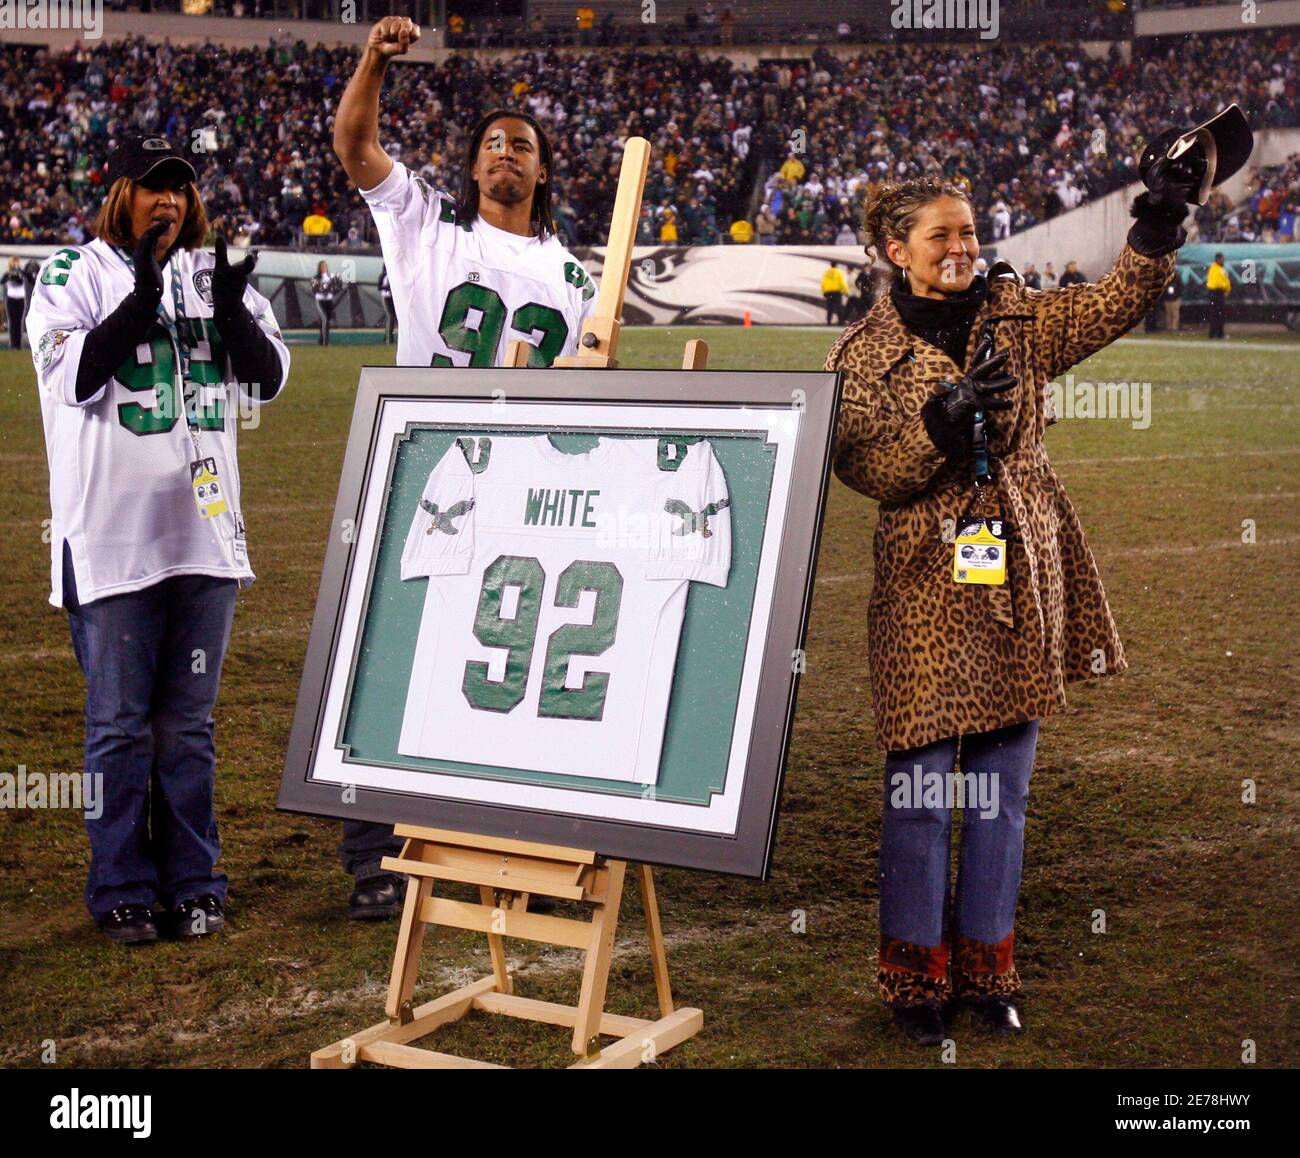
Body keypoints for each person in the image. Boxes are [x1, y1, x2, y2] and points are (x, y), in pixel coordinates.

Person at [825, 156, 1188, 1044]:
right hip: (923, 586)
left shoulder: (1016, 319)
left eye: (969, 231)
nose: (961, 247)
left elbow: (1109, 306)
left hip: (1020, 572)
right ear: (892, 248)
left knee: (1002, 788)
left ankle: (990, 974)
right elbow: (860, 467)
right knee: (918, 787)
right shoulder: (859, 355)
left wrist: (1153, 235)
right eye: (940, 234)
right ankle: (913, 984)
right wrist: (939, 429)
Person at [333, 15, 596, 918]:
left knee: (498, 650)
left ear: (542, 170)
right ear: (473, 165)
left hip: (522, 491)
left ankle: (505, 838)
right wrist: (372, 58)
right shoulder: (425, 225)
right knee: (389, 650)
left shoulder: (573, 275)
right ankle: (374, 853)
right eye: (491, 145)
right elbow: (355, 143)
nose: (504, 156)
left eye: (521, 145)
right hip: (424, 469)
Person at [25, 134, 289, 945]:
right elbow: (72, 378)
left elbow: (268, 380)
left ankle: (194, 882)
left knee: (187, 729)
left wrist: (234, 311)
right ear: (121, 195)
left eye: (179, 187)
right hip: (110, 541)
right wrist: (139, 299)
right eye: (151, 186)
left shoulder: (212, 276)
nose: (168, 200)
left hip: (205, 540)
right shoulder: (71, 273)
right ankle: (122, 889)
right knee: (118, 726)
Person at [311, 260, 342, 346]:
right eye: (322, 266)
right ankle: (325, 341)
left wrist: (332, 289)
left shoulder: (330, 277)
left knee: (325, 321)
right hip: (320, 301)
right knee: (325, 320)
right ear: (319, 268)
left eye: (325, 266)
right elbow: (314, 289)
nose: (324, 268)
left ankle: (321, 339)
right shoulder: (316, 277)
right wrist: (322, 288)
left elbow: (337, 287)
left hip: (329, 301)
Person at [1206, 252, 1231, 338]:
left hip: (1219, 293)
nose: (1223, 260)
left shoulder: (1220, 268)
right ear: (1217, 259)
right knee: (1216, 314)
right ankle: (1213, 334)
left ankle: (1219, 333)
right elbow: (1217, 283)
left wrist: (1227, 290)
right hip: (1216, 293)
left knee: (1220, 314)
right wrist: (1225, 287)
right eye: (1221, 259)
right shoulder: (1215, 268)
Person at [5, 256, 25, 348]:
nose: (17, 263)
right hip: (11, 299)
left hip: (20, 299)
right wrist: (10, 276)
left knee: (18, 322)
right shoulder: (7, 273)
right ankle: (13, 344)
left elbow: (21, 281)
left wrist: (18, 273)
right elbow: (2, 281)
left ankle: (18, 344)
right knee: (12, 322)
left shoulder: (21, 272)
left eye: (18, 261)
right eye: (15, 261)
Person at [821, 259, 849, 325]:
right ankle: (840, 322)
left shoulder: (826, 273)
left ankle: (828, 322)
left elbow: (823, 283)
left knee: (829, 308)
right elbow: (842, 283)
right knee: (839, 307)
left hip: (828, 293)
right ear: (836, 265)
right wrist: (846, 292)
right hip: (837, 293)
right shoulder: (838, 272)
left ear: (831, 265)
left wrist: (824, 291)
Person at [378, 262, 397, 344]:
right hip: (386, 297)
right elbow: (379, 287)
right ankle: (389, 339)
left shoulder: (394, 275)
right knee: (390, 316)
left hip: (393, 298)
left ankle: (389, 336)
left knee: (394, 317)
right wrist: (387, 287)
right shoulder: (383, 276)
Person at [1163, 268, 1182, 333]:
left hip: (1175, 299)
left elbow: (1180, 289)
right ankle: (1169, 328)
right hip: (1168, 299)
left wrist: (1175, 295)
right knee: (1169, 314)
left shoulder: (1177, 279)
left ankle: (1174, 328)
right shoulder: (1166, 280)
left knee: (1175, 313)